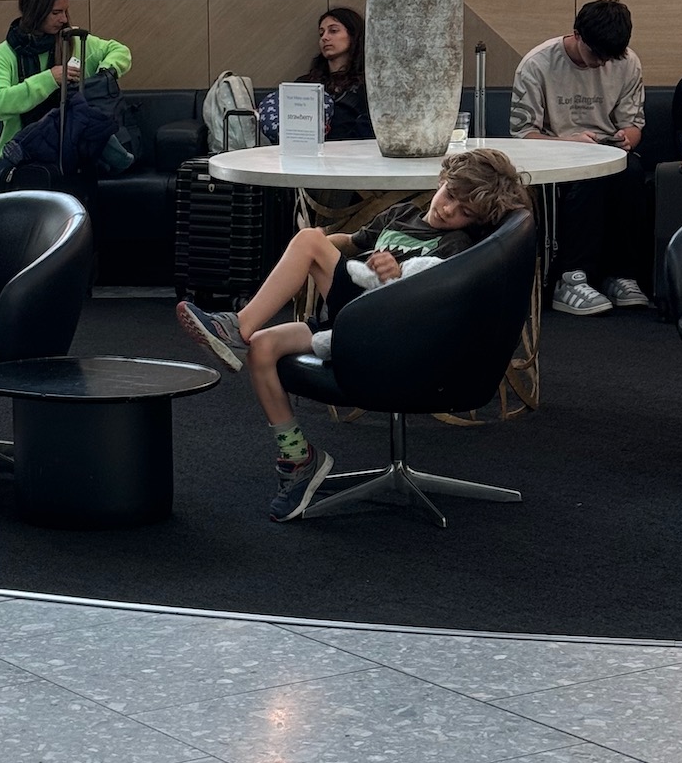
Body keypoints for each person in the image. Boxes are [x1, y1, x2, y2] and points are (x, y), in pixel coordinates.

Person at [176, 148, 531, 523]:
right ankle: (299, 460)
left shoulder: (455, 247)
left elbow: (431, 302)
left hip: (390, 330)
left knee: (308, 242)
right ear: (442, 181)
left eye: (465, 213)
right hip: (344, 322)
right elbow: (352, 242)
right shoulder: (401, 215)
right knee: (262, 347)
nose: (449, 210)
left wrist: (391, 276)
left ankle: (236, 327)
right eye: (451, 196)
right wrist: (308, 257)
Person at [509, 0, 647, 316]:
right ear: (576, 35)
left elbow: (634, 124)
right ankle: (570, 278)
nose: (601, 64)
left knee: (632, 170)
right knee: (589, 175)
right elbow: (522, 135)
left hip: (606, 151)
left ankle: (620, 274)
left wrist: (627, 138)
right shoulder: (537, 64)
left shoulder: (627, 62)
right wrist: (565, 143)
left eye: (609, 57)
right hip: (552, 156)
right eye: (595, 54)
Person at [0, 0, 132, 164]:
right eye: (56, 13)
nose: (64, 19)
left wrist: (104, 73)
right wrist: (49, 79)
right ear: (35, 12)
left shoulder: (75, 41)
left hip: (73, 153)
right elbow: (0, 104)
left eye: (65, 11)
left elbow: (120, 51)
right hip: (23, 155)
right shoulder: (4, 53)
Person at [300, 5, 373, 141]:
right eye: (321, 33)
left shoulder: (369, 85)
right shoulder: (305, 83)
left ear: (353, 35)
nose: (325, 38)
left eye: (333, 31)